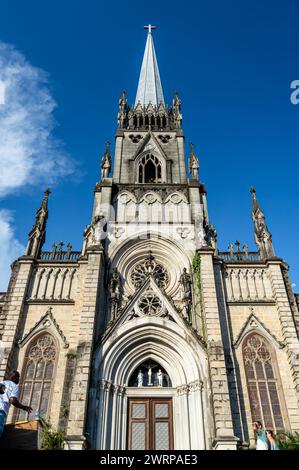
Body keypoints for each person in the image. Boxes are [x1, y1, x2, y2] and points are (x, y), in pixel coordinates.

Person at [0, 370, 32, 438]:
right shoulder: (14, 386)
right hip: (1, 410)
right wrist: (24, 407)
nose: (19, 379)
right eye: (18, 377)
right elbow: (13, 400)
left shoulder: (1, 382)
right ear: (14, 377)